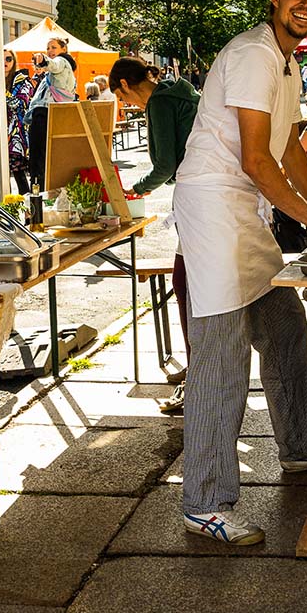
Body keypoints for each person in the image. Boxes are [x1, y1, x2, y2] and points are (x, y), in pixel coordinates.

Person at [172, 0, 307, 547]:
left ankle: (301, 448)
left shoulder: (288, 63)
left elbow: (285, 151)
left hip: (241, 208)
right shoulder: (256, 54)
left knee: (282, 323)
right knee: (221, 358)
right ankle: (204, 501)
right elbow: (257, 158)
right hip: (212, 206)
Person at [108, 56, 201, 415]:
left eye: (123, 97)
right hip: (210, 191)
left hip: (196, 194)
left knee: (184, 285)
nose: (128, 104)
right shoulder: (181, 91)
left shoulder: (160, 101)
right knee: (190, 283)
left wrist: (135, 189)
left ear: (126, 86)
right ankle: (200, 370)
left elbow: (165, 165)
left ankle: (198, 375)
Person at [26, 36, 77, 188]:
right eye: (48, 48)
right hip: (56, 114)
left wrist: (43, 59)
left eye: (54, 47)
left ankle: (38, 191)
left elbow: (54, 65)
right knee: (49, 157)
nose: (50, 50)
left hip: (44, 114)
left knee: (38, 157)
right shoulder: (66, 69)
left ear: (63, 49)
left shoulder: (62, 61)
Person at [0, 52, 34, 193]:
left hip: (15, 134)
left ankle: (28, 211)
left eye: (9, 58)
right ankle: (8, 207)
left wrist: (3, 93)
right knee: (3, 174)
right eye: (1, 59)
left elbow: (20, 104)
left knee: (18, 173)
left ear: (14, 61)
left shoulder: (22, 81)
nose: (5, 62)